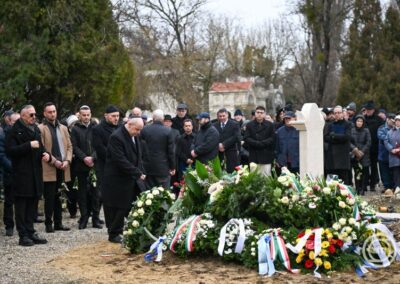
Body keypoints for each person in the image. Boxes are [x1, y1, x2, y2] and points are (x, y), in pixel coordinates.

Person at [6, 105, 49, 246]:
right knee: (21, 206)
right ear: (23, 115)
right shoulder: (14, 131)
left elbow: (40, 146)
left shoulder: (35, 128)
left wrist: (45, 154)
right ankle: (23, 235)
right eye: (31, 114)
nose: (34, 117)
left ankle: (31, 231)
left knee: (33, 204)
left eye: (34, 114)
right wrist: (28, 145)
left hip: (35, 173)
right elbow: (10, 151)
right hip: (21, 174)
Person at [102, 117, 146, 243]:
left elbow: (138, 156)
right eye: (137, 129)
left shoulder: (135, 135)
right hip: (117, 178)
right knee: (118, 206)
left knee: (130, 205)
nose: (138, 132)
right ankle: (114, 233)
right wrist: (137, 172)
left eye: (140, 130)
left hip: (130, 177)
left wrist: (141, 170)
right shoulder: (117, 137)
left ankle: (132, 229)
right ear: (129, 124)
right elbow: (119, 159)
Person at [38, 102, 73, 232]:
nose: (52, 114)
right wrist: (54, 161)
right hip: (49, 167)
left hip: (63, 167)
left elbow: (70, 146)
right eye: (49, 112)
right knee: (49, 197)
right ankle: (48, 224)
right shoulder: (41, 128)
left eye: (54, 111)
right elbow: (41, 149)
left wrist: (67, 161)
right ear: (45, 113)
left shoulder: (63, 128)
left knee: (60, 195)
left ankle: (59, 223)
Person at [71, 105, 101, 229]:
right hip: (81, 165)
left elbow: (99, 145)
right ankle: (84, 217)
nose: (86, 117)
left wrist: (93, 157)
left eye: (88, 115)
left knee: (96, 193)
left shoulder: (96, 128)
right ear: (79, 115)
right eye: (84, 115)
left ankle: (96, 218)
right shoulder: (75, 129)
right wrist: (84, 158)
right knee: (82, 193)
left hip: (94, 164)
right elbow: (74, 146)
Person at [92, 105, 120, 227]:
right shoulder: (98, 129)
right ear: (106, 116)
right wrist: (115, 157)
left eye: (118, 116)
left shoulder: (120, 127)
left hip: (119, 167)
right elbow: (99, 148)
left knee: (117, 195)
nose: (116, 118)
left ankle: (117, 220)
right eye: (113, 116)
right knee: (103, 195)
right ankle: (97, 217)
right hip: (105, 166)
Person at [140, 109, 176, 189]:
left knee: (148, 194)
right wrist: (172, 167)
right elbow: (171, 152)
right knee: (164, 194)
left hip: (147, 167)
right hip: (163, 167)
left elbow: (140, 149)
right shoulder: (168, 131)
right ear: (163, 119)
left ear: (153, 118)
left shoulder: (145, 129)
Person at [1, 112, 20, 236]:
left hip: (23, 172)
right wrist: (14, 168)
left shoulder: (24, 132)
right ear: (10, 121)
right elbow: (2, 155)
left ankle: (22, 224)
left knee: (22, 200)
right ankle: (9, 225)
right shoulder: (4, 135)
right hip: (10, 172)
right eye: (15, 121)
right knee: (9, 200)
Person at [243, 106, 276, 176]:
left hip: (266, 155)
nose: (259, 114)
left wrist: (263, 143)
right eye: (258, 112)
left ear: (264, 114)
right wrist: (256, 143)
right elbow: (246, 138)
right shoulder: (249, 125)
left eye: (261, 113)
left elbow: (272, 138)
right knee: (254, 179)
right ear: (255, 114)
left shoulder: (270, 125)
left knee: (266, 178)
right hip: (254, 155)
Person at [324, 106, 352, 185]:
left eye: (339, 113)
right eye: (335, 113)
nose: (337, 114)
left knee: (343, 183)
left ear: (342, 113)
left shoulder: (347, 124)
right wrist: (338, 137)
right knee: (331, 183)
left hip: (343, 157)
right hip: (331, 158)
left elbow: (347, 137)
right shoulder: (329, 125)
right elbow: (325, 137)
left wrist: (334, 136)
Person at [363, 100, 384, 191]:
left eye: (370, 109)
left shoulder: (379, 119)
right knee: (365, 166)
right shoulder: (363, 119)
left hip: (375, 146)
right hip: (365, 147)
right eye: (367, 109)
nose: (368, 111)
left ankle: (373, 184)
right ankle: (365, 183)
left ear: (373, 110)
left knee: (374, 166)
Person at [213, 108, 240, 173]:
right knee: (220, 172)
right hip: (219, 153)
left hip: (231, 152)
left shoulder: (234, 124)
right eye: (220, 116)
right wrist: (218, 145)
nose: (222, 118)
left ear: (227, 115)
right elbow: (212, 138)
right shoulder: (214, 125)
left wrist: (224, 144)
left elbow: (236, 137)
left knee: (232, 172)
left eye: (223, 116)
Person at [350, 115, 371, 195]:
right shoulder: (352, 130)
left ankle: (362, 188)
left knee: (364, 172)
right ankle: (357, 188)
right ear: (355, 122)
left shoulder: (366, 130)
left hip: (364, 154)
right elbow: (349, 142)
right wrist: (355, 150)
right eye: (358, 121)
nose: (359, 123)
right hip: (355, 153)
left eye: (361, 121)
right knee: (356, 171)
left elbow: (368, 142)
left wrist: (362, 152)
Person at [377, 113, 396, 190]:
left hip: (393, 155)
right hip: (383, 155)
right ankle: (387, 187)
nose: (393, 122)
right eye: (391, 121)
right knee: (384, 172)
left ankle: (394, 186)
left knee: (393, 172)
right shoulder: (381, 128)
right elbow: (381, 136)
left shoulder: (396, 128)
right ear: (387, 120)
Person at [384, 115, 400, 189]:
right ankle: (397, 189)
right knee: (396, 173)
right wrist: (391, 149)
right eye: (397, 120)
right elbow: (386, 141)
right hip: (394, 156)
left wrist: (399, 149)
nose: (398, 122)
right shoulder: (389, 132)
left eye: (399, 121)